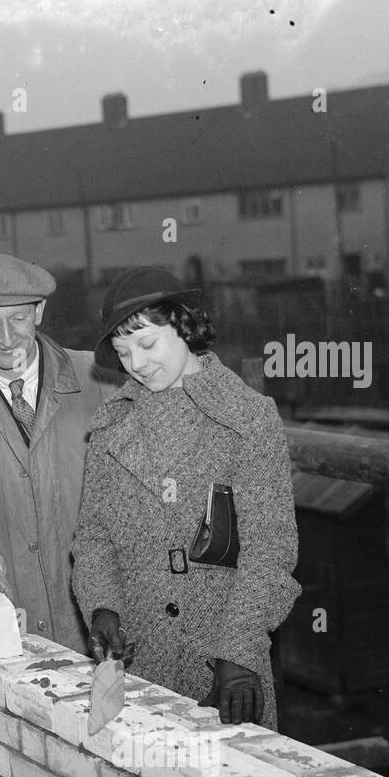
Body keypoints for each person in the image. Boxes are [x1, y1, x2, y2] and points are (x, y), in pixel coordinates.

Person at [71, 267, 300, 728]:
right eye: (122, 352)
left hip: (224, 669)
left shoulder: (247, 420)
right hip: (139, 666)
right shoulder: (110, 429)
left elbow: (269, 551)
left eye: (148, 343)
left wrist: (239, 653)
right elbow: (93, 539)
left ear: (185, 325)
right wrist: (102, 606)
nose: (135, 363)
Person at [0, 253, 123, 655]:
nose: (7, 337)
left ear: (40, 312)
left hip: (113, 627)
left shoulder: (104, 382)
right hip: (17, 633)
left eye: (17, 318)